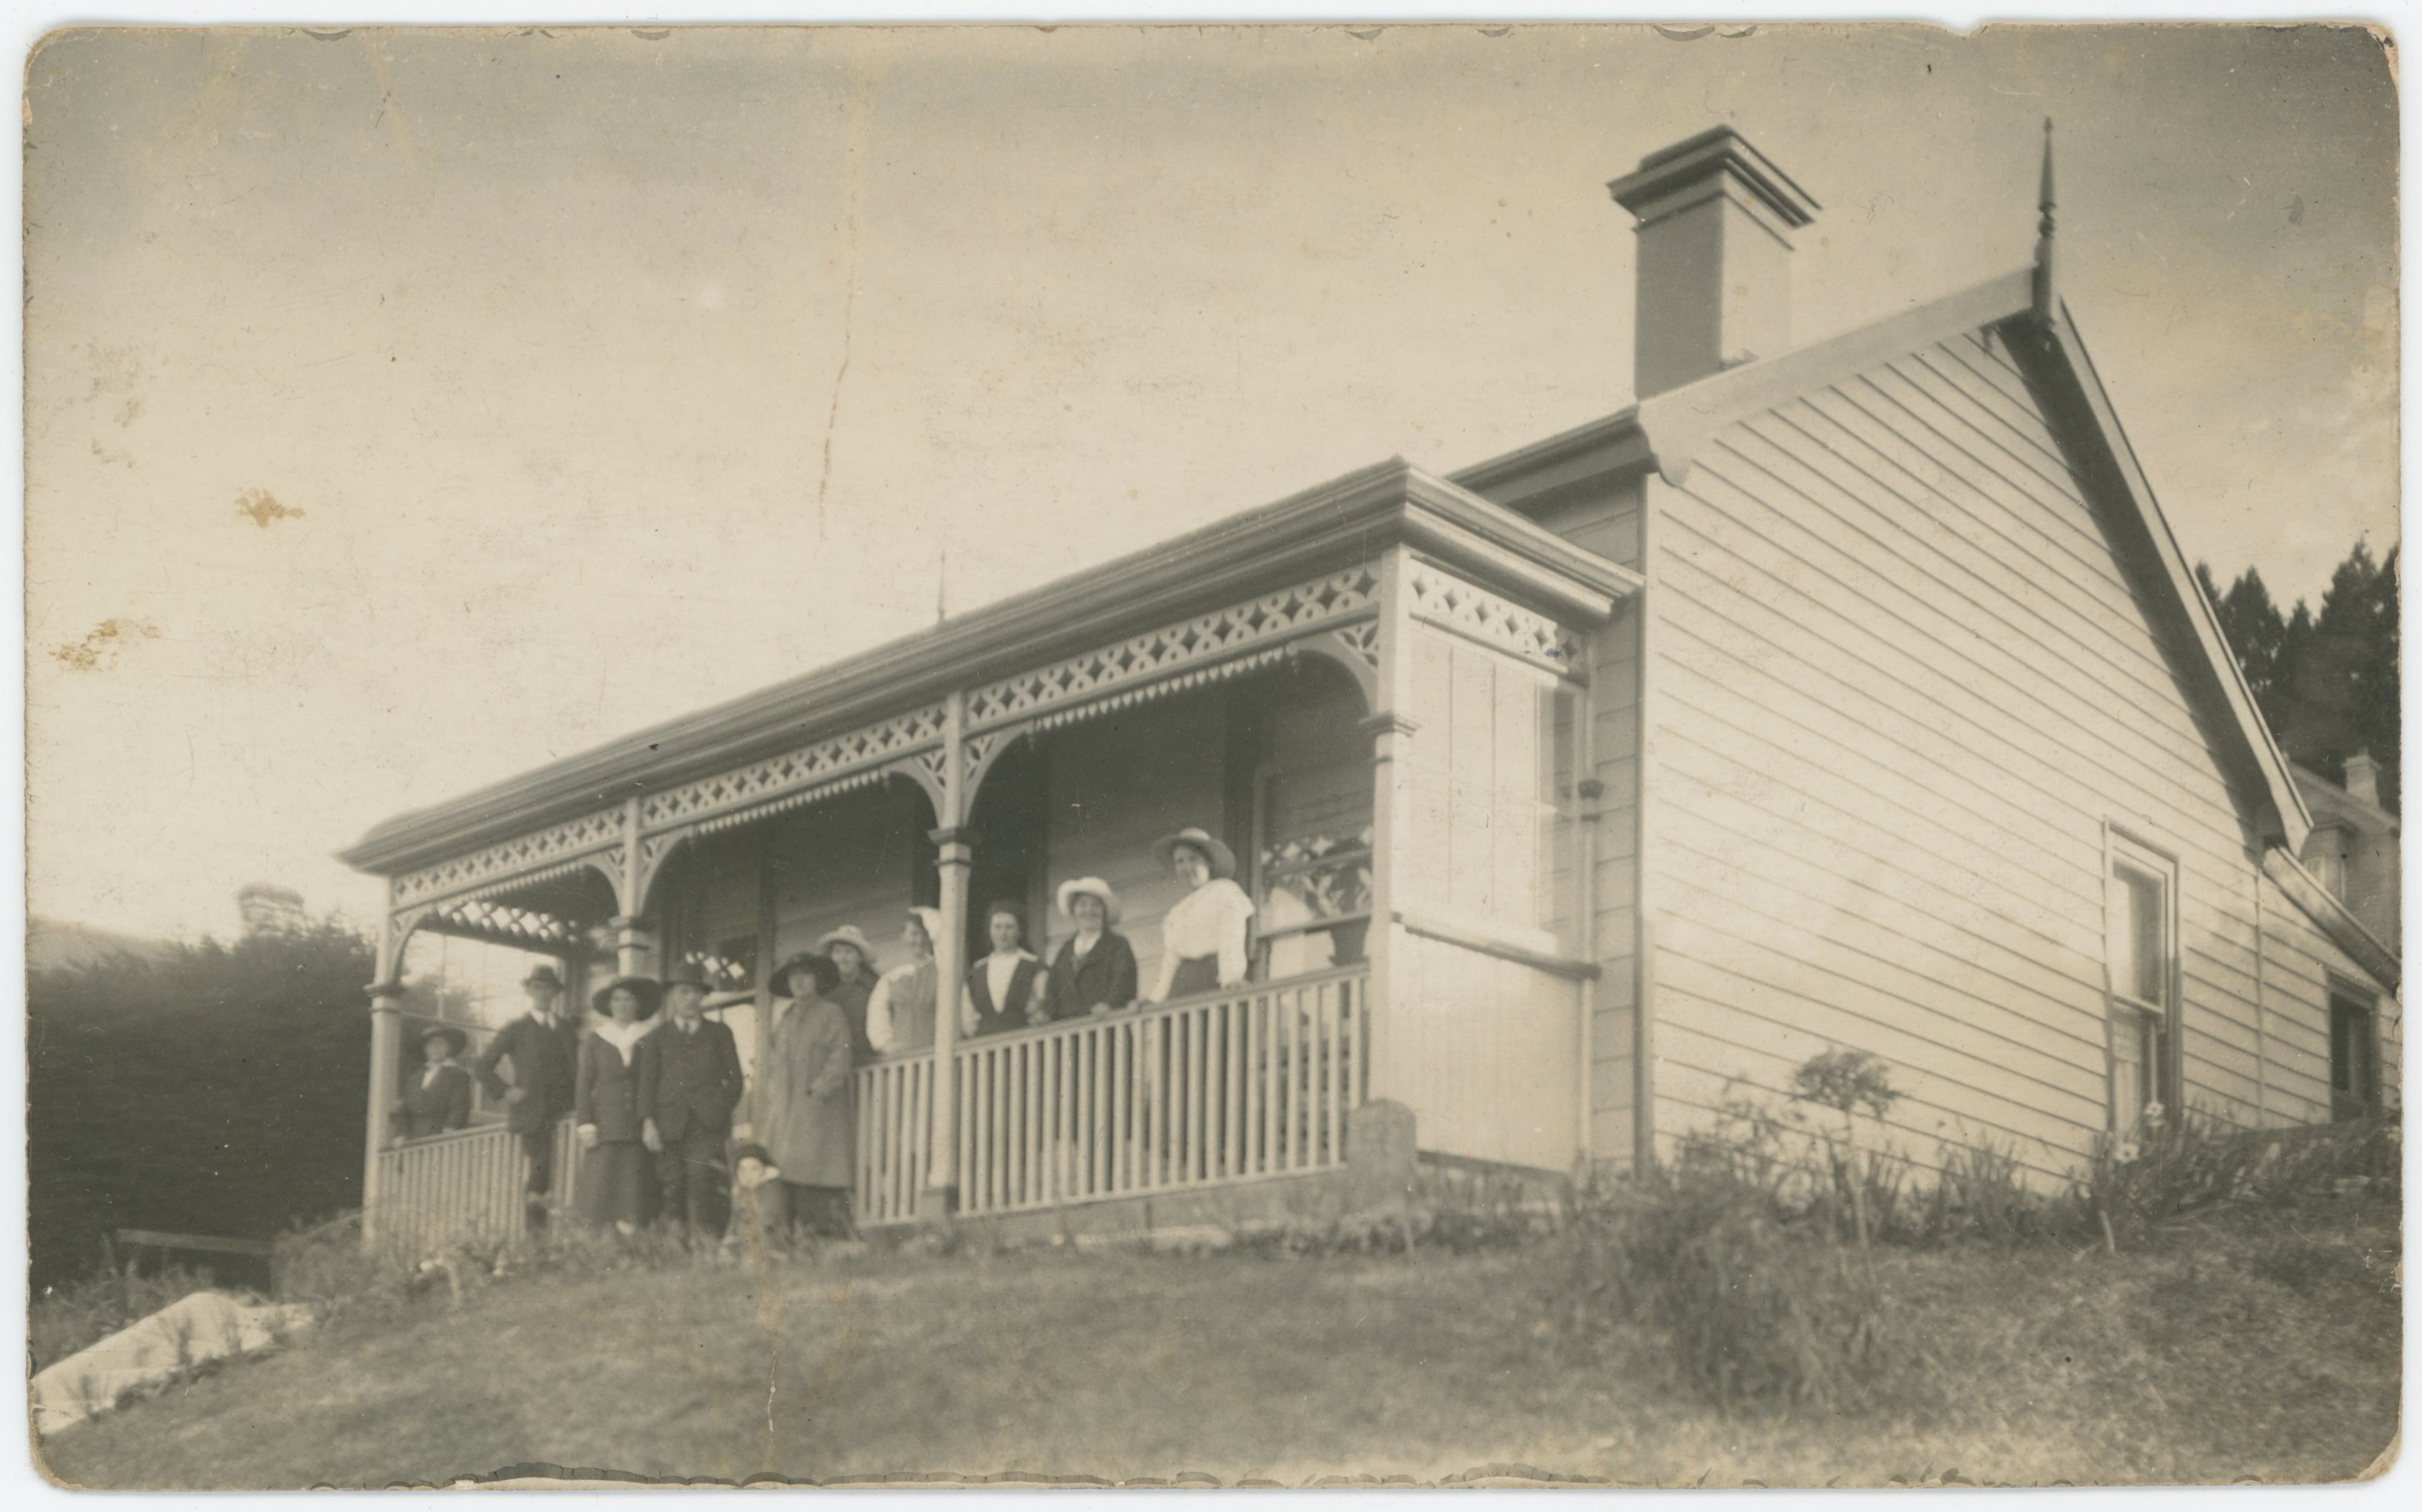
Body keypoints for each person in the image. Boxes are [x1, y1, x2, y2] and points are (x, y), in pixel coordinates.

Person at [736, 952, 856, 1242]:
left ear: (817, 980)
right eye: (793, 977)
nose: (799, 982)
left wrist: (819, 1090)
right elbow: (773, 1062)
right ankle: (789, 1236)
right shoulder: (786, 1020)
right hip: (786, 1111)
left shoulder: (831, 1014)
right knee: (785, 1169)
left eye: (806, 975)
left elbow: (840, 1057)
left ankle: (825, 1234)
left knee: (818, 1170)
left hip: (819, 1108)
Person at [637, 962, 744, 1240]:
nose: (690, 999)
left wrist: (717, 1108)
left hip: (708, 1125)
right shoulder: (656, 1038)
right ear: (672, 996)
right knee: (672, 1186)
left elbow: (736, 1081)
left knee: (704, 1183)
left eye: (695, 993)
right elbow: (647, 1084)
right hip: (669, 1124)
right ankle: (677, 1250)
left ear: (703, 996)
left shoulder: (720, 1033)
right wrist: (648, 1123)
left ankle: (708, 1247)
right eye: (683, 992)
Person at [472, 963, 580, 1231]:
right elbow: (482, 1066)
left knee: (570, 1169)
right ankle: (536, 1238)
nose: (543, 993)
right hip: (534, 1111)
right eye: (537, 988)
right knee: (540, 1171)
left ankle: (568, 1236)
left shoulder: (566, 1029)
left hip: (568, 1109)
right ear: (530, 991)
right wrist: (506, 1090)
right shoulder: (517, 1028)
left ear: (555, 993)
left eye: (548, 988)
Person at [574, 975, 663, 1236]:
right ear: (610, 1005)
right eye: (617, 999)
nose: (622, 1005)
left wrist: (650, 1121)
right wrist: (586, 1123)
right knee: (599, 1191)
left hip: (637, 1127)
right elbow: (584, 1084)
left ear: (638, 1004)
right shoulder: (596, 1039)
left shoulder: (650, 1036)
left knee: (634, 1191)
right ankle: (597, 1245)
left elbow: (655, 1080)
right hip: (605, 1126)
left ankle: (633, 1243)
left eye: (628, 999)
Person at [1148, 827, 1256, 1002]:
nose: (1187, 867)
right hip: (1182, 984)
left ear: (1208, 862)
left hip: (1213, 976)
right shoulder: (1177, 912)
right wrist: (1155, 998)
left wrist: (1231, 978)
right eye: (1180, 861)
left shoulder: (1224, 891)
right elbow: (1170, 961)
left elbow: (1231, 938)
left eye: (1193, 859)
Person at [1042, 878, 1139, 1020]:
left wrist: (1109, 1004)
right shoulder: (1065, 950)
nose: (1089, 910)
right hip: (1069, 1028)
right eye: (1082, 904)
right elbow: (1053, 990)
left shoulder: (1118, 945)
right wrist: (1046, 1013)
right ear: (1074, 911)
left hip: (1106, 1023)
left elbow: (1124, 982)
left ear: (1104, 911)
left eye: (1095, 905)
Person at [866, 907, 944, 1055]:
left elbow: (965, 1017)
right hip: (903, 1059)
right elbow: (877, 1020)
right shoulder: (891, 977)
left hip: (938, 1054)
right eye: (914, 934)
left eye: (924, 934)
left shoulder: (942, 972)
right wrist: (887, 1045)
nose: (919, 940)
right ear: (902, 936)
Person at [963, 901, 1048, 1038]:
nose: (1003, 933)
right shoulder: (977, 971)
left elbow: (1042, 1007)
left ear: (1020, 931)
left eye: (1009, 927)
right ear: (989, 930)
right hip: (984, 1042)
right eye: (997, 927)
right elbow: (968, 1019)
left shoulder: (1033, 966)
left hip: (1023, 1039)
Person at [816, 925, 882, 1063]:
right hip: (837, 1062)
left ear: (860, 957)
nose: (843, 958)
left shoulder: (875, 986)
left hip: (871, 1060)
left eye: (849, 952)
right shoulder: (825, 991)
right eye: (838, 952)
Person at [395, 1024, 472, 1142]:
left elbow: (459, 1106)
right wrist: (401, 1133)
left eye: (440, 1043)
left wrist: (451, 1127)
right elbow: (403, 1109)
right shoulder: (414, 1077)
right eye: (430, 1044)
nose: (435, 1048)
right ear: (425, 1049)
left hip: (441, 1136)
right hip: (413, 1140)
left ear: (449, 1048)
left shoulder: (458, 1075)